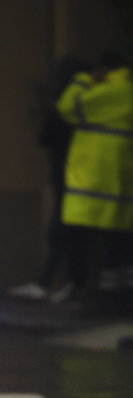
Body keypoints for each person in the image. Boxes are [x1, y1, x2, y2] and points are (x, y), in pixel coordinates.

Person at [9, 55, 89, 302]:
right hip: (85, 178)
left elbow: (44, 136)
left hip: (69, 178)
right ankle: (71, 285)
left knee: (61, 234)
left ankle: (54, 284)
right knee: (74, 235)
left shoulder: (67, 106)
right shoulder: (91, 103)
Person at [57, 51, 133, 308]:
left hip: (91, 186)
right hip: (119, 186)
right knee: (118, 247)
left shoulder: (110, 91)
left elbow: (67, 107)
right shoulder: (126, 91)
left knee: (88, 245)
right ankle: (117, 297)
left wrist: (82, 80)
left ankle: (100, 299)